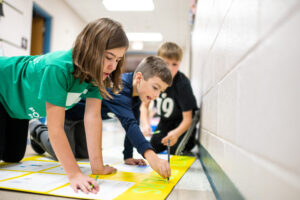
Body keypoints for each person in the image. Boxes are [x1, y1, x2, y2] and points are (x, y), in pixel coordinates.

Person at [0, 18, 129, 194]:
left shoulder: (96, 75)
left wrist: (97, 166)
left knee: (12, 156)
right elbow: (55, 128)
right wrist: (75, 174)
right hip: (3, 86)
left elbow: (92, 118)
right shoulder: (58, 68)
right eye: (108, 57)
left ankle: (32, 125)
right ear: (91, 49)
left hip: (18, 109)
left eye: (118, 60)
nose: (113, 66)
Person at [30, 56, 172, 178]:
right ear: (139, 78)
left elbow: (131, 124)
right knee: (65, 153)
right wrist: (151, 156)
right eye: (155, 87)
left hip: (84, 121)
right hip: (68, 114)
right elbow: (130, 124)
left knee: (84, 154)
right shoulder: (119, 87)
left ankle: (40, 141)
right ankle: (36, 127)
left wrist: (128, 156)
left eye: (161, 91)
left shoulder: (136, 96)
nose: (156, 95)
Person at [140, 42, 198, 154]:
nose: (170, 69)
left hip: (181, 123)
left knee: (175, 150)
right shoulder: (153, 80)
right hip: (165, 121)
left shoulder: (182, 84)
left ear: (180, 64)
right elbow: (144, 106)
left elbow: (188, 119)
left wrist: (176, 133)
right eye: (166, 63)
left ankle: (189, 140)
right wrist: (146, 125)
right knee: (152, 147)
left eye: (175, 64)